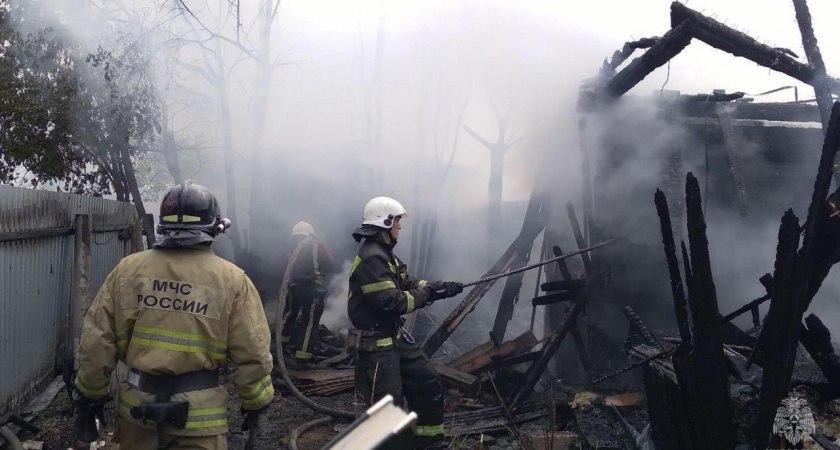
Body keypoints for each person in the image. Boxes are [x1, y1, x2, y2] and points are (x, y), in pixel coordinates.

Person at [72, 181, 274, 450]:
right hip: (199, 422)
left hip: (137, 414)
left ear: (163, 225)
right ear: (215, 226)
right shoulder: (232, 280)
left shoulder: (128, 271)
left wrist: (89, 396)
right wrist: (256, 405)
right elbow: (253, 354)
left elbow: (97, 341)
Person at [347, 196, 463, 450]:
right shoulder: (371, 258)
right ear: (385, 222)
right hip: (375, 345)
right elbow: (391, 301)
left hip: (393, 338)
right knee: (389, 409)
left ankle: (429, 444)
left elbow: (408, 284)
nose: (400, 226)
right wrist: (426, 295)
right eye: (397, 220)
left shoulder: (385, 255)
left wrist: (439, 287)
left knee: (427, 383)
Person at [280, 221, 336, 364]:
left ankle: (279, 345)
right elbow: (331, 264)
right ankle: (303, 356)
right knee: (310, 322)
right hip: (313, 289)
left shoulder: (291, 249)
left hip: (295, 287)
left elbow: (287, 267)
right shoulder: (318, 245)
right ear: (311, 233)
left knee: (289, 314)